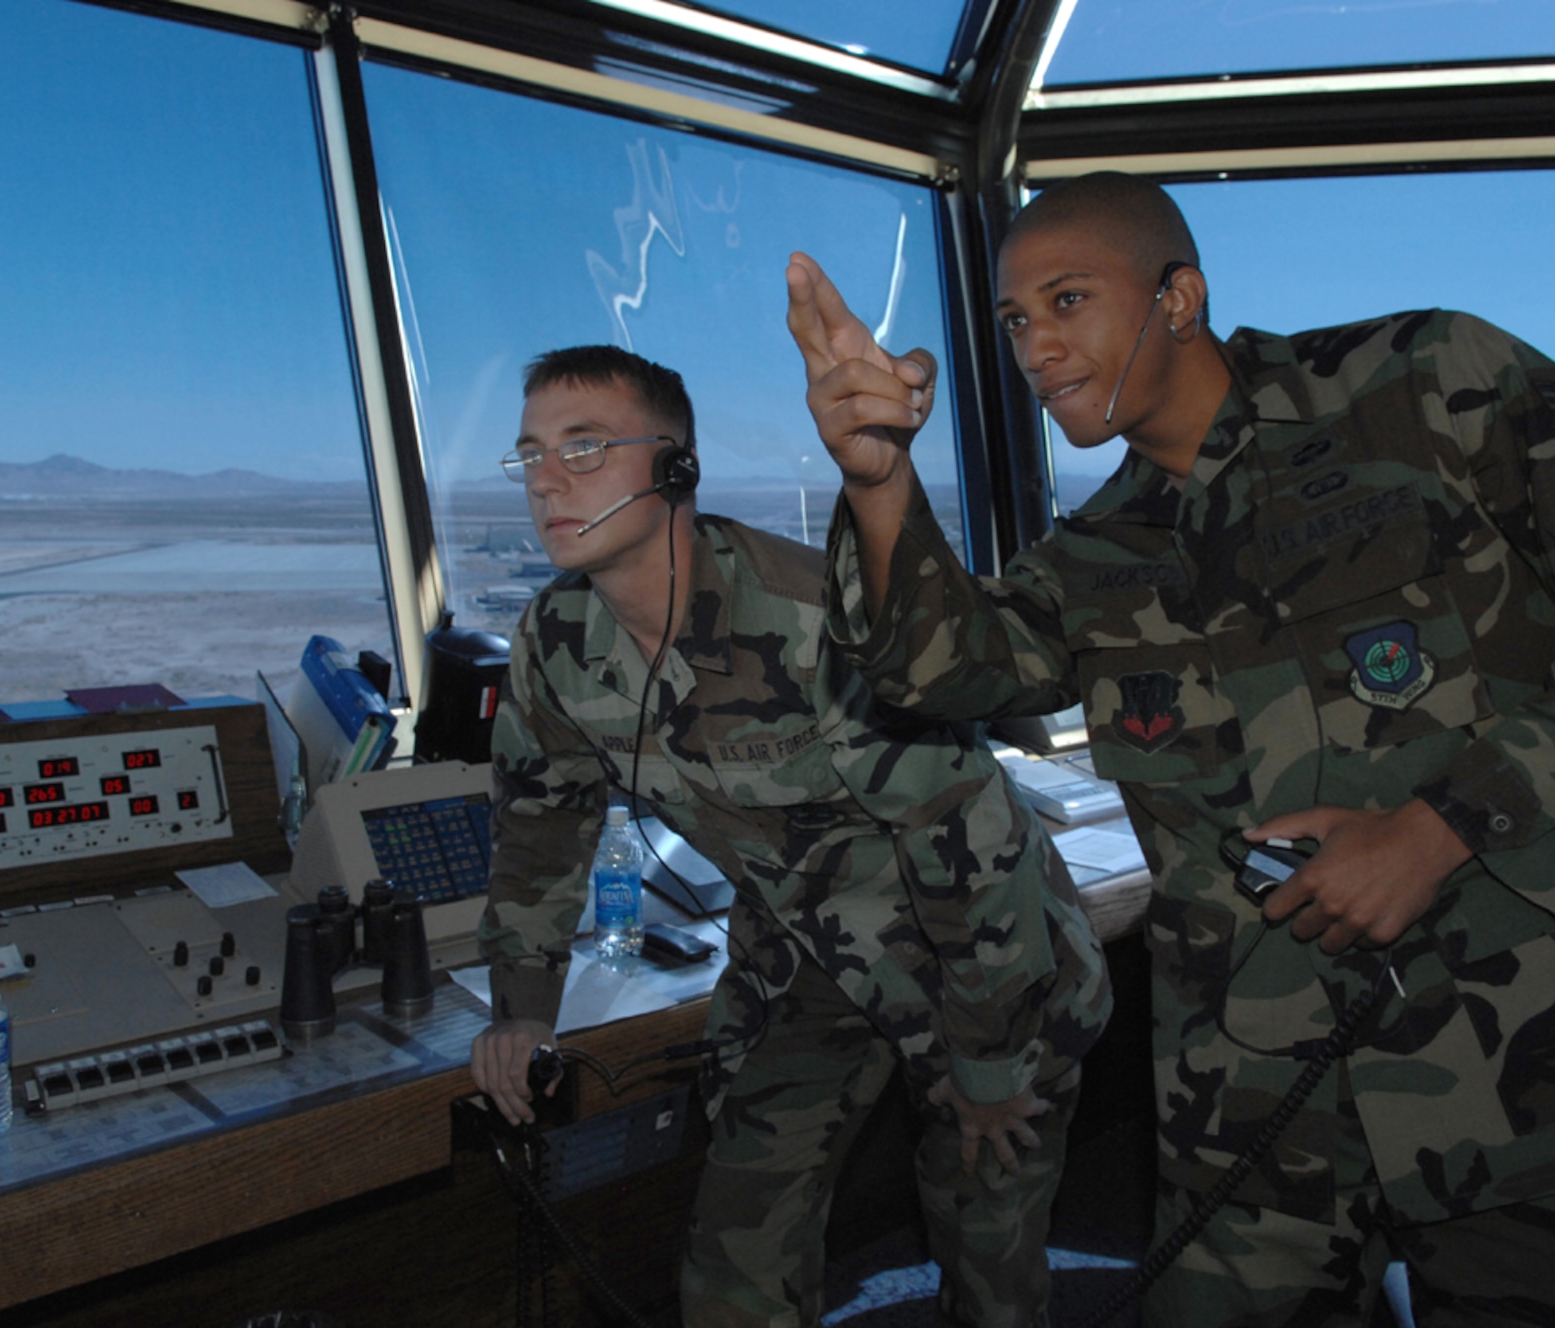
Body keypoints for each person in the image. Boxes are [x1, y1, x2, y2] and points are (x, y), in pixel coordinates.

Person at [787, 172, 1555, 1326]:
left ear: (1178, 295)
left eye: (1067, 300)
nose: (1035, 348)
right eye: (1011, 321)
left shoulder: (1426, 385)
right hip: (1254, 1096)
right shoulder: (1095, 554)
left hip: (1527, 1062)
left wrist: (1437, 827)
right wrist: (879, 479)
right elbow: (939, 666)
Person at [467, 344, 1112, 1328]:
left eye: (585, 446)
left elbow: (966, 847)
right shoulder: (554, 641)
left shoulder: (818, 619)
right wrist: (521, 1005)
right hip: (804, 954)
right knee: (736, 1248)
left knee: (986, 1250)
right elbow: (539, 818)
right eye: (530, 454)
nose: (546, 479)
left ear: (674, 466)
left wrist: (987, 1065)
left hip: (976, 962)